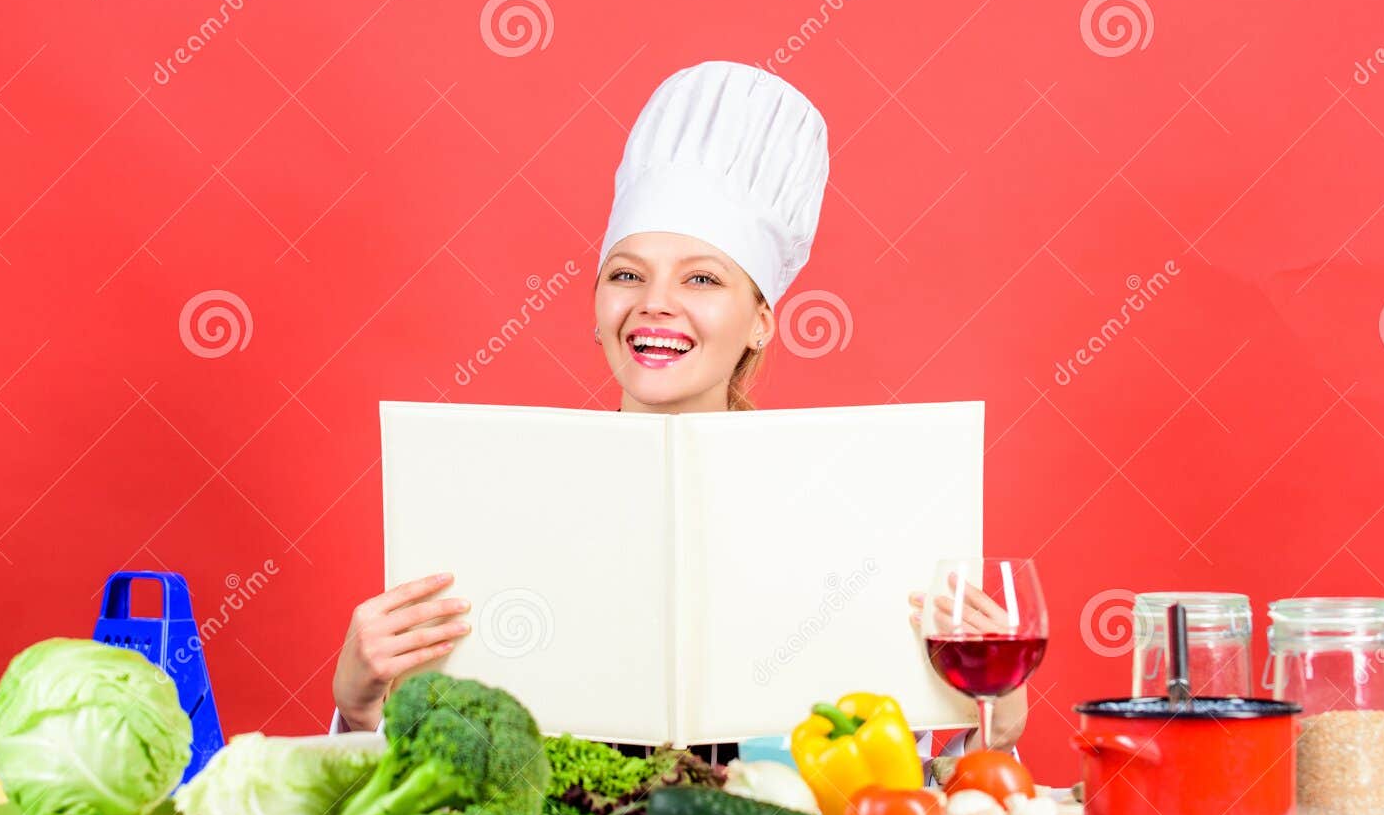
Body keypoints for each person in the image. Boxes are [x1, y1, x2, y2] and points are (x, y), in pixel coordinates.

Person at [330, 60, 1027, 761]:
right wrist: (360, 711)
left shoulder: (846, 504)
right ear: (598, 313)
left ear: (760, 320)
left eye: (701, 278)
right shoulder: (496, 492)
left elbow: (904, 801)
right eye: (627, 274)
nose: (656, 302)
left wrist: (990, 723)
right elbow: (430, 792)